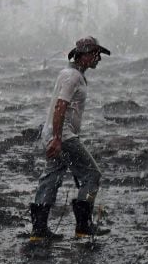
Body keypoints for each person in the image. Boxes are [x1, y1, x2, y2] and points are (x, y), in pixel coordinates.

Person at [29, 36, 111, 241]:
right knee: (92, 175)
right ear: (84, 55)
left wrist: (55, 137)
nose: (98, 59)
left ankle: (39, 231)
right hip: (62, 135)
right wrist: (58, 138)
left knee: (52, 176)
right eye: (96, 54)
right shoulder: (72, 77)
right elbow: (60, 106)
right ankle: (83, 226)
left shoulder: (71, 74)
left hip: (55, 134)